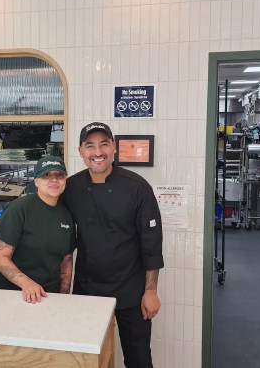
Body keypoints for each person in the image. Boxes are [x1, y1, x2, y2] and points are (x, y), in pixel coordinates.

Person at [63, 122, 164, 368]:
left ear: (114, 148)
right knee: (89, 358)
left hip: (131, 290)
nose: (97, 152)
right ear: (80, 151)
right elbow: (58, 231)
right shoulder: (71, 187)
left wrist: (150, 291)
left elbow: (151, 243)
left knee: (138, 358)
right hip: (88, 290)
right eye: (90, 146)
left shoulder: (137, 187)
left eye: (104, 144)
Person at [0, 155, 75, 304]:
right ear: (36, 181)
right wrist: (27, 283)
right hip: (11, 295)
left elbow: (66, 261)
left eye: (59, 175)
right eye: (46, 175)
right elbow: (0, 258)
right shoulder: (19, 208)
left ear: (65, 180)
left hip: (48, 296)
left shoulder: (67, 215)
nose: (54, 179)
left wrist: (64, 296)